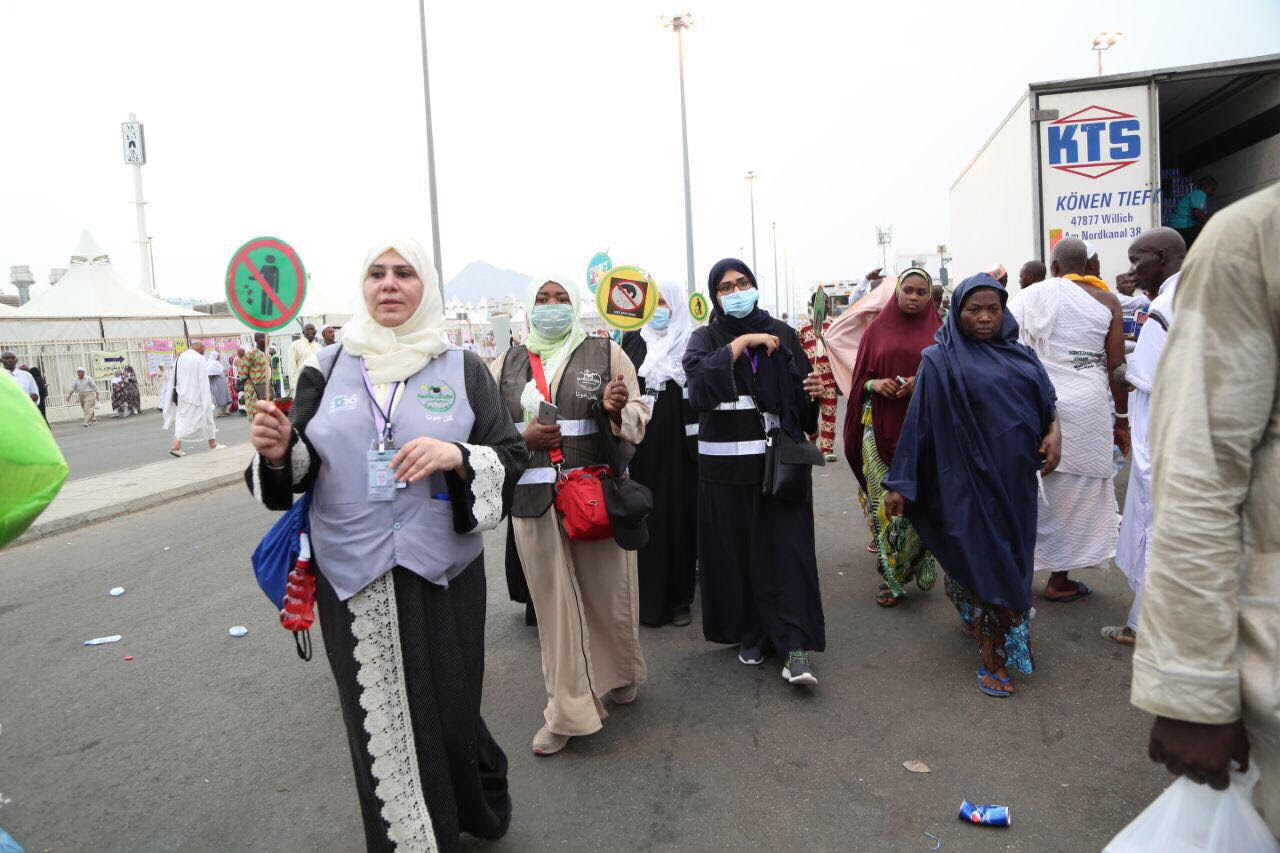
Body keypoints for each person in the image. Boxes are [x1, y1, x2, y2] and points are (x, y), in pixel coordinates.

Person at [246, 237, 521, 850]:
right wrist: (277, 451)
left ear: (425, 288)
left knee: (450, 713)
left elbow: (511, 454)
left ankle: (476, 795)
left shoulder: (462, 367)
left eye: (404, 274)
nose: (389, 284)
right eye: (377, 273)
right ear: (362, 287)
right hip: (353, 576)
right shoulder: (326, 366)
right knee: (381, 731)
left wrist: (457, 455)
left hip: (442, 573)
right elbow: (300, 463)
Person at [1131, 184, 1280, 833]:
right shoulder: (1256, 236)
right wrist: (1194, 689)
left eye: (1145, 260)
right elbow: (1201, 465)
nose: (1135, 271)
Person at [491, 273, 649, 757]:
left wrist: (612, 410)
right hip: (532, 503)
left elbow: (640, 416)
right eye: (543, 298)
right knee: (554, 611)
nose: (552, 305)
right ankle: (568, 709)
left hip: (592, 494)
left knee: (609, 592)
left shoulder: (606, 353)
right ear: (529, 307)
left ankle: (620, 672)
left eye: (561, 298)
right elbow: (489, 432)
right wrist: (523, 438)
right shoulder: (507, 363)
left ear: (575, 304)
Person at [884, 273, 1060, 698]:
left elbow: (1046, 400)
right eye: (974, 309)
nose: (984, 318)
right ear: (957, 312)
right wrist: (901, 483)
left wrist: (1054, 431)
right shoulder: (939, 362)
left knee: (1010, 559)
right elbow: (918, 425)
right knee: (989, 563)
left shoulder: (1022, 356)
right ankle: (994, 655)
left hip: (1015, 483)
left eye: (993, 309)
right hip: (964, 485)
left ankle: (969, 601)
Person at [683, 258, 827, 686]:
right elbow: (697, 388)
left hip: (779, 468)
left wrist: (813, 395)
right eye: (726, 287)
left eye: (743, 283)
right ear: (715, 296)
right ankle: (752, 632)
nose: (736, 291)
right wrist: (742, 342)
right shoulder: (705, 338)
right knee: (738, 554)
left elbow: (800, 407)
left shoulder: (783, 335)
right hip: (726, 471)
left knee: (789, 552)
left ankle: (795, 646)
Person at [1009, 237, 1128, 602]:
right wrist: (1122, 421)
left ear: (1054, 267)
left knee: (1030, 486)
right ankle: (1059, 580)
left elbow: (1006, 349)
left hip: (1039, 404)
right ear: (1090, 265)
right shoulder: (1108, 301)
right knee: (1079, 493)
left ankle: (1016, 575)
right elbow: (1117, 367)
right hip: (1090, 406)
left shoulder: (1029, 297)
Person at [1103, 228, 1187, 646]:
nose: (1132, 271)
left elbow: (1139, 378)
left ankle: (1142, 625)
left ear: (1162, 256)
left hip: (1166, 438)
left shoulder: (1165, 307)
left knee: (1155, 530)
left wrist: (1115, 365)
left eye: (1138, 261)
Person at [842, 267, 942, 607]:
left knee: (919, 502)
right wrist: (875, 384)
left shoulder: (941, 333)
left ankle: (915, 557)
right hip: (880, 429)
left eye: (920, 292)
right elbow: (859, 382)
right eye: (908, 290)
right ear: (896, 292)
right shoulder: (875, 331)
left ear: (930, 297)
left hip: (924, 433)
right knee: (886, 506)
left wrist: (921, 383)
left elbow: (951, 381)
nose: (913, 297)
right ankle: (892, 574)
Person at [621, 282, 698, 628]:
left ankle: (679, 600)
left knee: (678, 516)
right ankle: (645, 601)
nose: (660, 307)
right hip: (641, 446)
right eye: (655, 300)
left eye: (666, 301)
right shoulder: (632, 341)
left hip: (680, 446)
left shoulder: (691, 341)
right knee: (641, 514)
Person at [798, 292, 839, 461]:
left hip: (829, 379)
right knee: (810, 414)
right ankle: (812, 440)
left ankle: (827, 449)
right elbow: (798, 356)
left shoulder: (835, 327)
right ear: (812, 306)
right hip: (811, 381)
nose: (823, 307)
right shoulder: (803, 329)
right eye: (819, 304)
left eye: (825, 303)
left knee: (829, 413)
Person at [164, 341, 224, 457]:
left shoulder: (180, 357)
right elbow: (203, 380)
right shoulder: (199, 359)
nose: (204, 353)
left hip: (182, 395)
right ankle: (212, 444)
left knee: (182, 420)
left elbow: (173, 377)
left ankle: (177, 445)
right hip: (197, 396)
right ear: (200, 349)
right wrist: (207, 398)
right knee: (207, 418)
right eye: (204, 351)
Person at [1168, 175, 1218, 248]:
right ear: (1206, 187)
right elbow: (1197, 213)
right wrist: (1210, 224)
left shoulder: (1195, 194)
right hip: (1182, 228)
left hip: (1177, 228)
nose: (1213, 193)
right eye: (1213, 189)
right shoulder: (1200, 193)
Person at [241, 333, 271, 412]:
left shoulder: (267, 354)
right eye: (262, 337)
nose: (266, 339)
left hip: (267, 389)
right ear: (255, 340)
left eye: (267, 337)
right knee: (257, 415)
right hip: (254, 390)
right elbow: (242, 374)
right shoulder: (251, 354)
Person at [288, 323, 323, 391]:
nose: (310, 331)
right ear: (303, 332)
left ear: (315, 332)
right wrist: (293, 384)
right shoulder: (295, 345)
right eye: (307, 329)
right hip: (302, 383)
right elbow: (292, 366)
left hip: (317, 383)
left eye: (312, 329)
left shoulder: (319, 346)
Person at [207, 351, 232, 415]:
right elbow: (210, 373)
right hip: (217, 382)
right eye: (218, 356)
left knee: (224, 395)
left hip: (221, 382)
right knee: (219, 396)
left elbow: (220, 371)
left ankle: (224, 411)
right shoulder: (212, 363)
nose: (219, 357)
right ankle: (221, 412)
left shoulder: (216, 362)